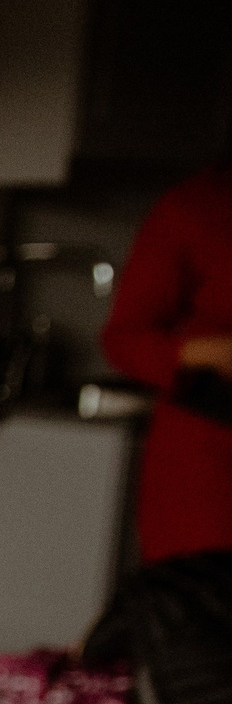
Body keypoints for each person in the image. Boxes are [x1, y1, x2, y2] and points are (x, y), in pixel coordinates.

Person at [103, 160, 232, 563]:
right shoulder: (198, 207)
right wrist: (213, 351)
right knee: (199, 608)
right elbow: (122, 340)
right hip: (210, 463)